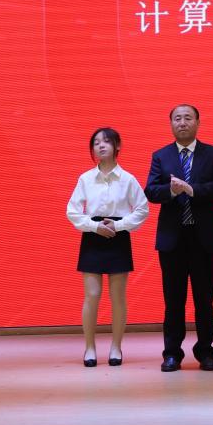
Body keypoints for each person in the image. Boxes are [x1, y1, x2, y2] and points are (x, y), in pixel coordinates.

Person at [145, 104, 213, 373]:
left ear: (198, 122)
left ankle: (206, 352)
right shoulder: (161, 156)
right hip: (173, 239)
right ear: (171, 124)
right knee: (173, 300)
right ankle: (172, 353)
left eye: (188, 118)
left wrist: (192, 190)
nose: (182, 123)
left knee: (204, 299)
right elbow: (151, 190)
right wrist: (171, 191)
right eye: (177, 118)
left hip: (204, 238)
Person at [66, 127, 149, 367]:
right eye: (96, 143)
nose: (101, 146)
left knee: (118, 297)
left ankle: (116, 347)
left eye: (106, 141)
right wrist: (94, 227)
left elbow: (142, 209)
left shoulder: (127, 179)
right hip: (93, 236)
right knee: (92, 295)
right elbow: (72, 211)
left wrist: (119, 225)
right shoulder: (85, 178)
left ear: (117, 146)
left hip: (117, 236)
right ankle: (89, 348)